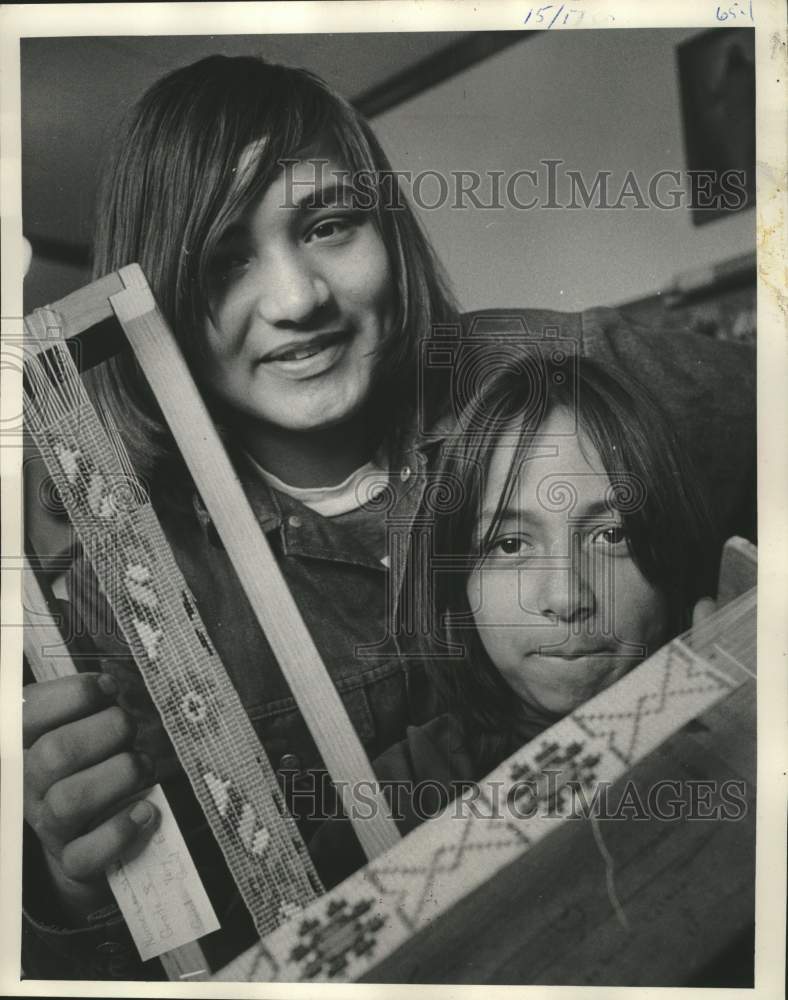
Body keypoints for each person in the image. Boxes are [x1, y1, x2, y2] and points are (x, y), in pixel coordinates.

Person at [21, 55, 755, 979]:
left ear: (390, 230)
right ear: (160, 301)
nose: (297, 301)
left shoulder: (573, 367)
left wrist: (745, 628)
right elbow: (142, 960)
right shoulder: (119, 608)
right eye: (224, 261)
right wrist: (69, 890)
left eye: (329, 225)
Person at [307, 355, 721, 886]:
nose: (567, 596)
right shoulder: (398, 799)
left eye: (612, 535)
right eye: (509, 544)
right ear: (459, 581)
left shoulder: (753, 735)